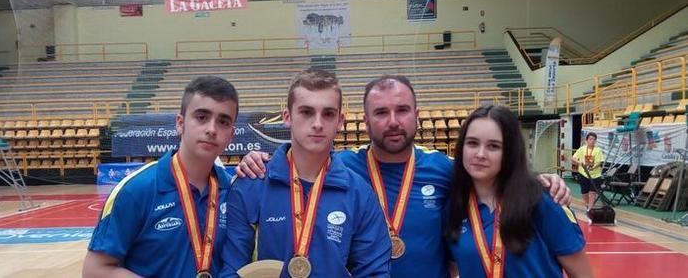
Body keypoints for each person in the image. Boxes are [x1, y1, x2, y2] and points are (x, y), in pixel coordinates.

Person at [236, 75, 571, 277]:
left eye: (402, 110)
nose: (393, 121)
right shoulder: (343, 169)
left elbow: (494, 182)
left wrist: (541, 181)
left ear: (417, 116)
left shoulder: (445, 170)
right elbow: (301, 167)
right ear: (364, 122)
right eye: (381, 112)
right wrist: (258, 160)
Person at [220, 69, 391, 277]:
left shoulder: (360, 194)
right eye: (306, 112)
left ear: (340, 121)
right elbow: (232, 270)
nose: (317, 123)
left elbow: (374, 272)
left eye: (328, 114)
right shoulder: (252, 184)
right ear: (287, 117)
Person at [83, 76, 238, 278]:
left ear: (231, 134)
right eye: (201, 117)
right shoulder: (136, 190)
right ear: (180, 123)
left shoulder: (233, 191)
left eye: (223, 121)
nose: (211, 129)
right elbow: (95, 270)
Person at [444, 105, 592, 278]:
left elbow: (583, 274)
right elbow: (452, 268)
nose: (480, 154)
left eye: (493, 146)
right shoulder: (453, 207)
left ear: (509, 152)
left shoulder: (542, 201)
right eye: (472, 143)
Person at [572, 132, 604, 211]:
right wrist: (580, 163)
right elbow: (573, 158)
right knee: (584, 192)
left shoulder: (598, 150)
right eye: (590, 139)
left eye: (594, 139)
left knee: (592, 192)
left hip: (595, 175)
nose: (592, 141)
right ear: (587, 140)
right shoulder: (582, 149)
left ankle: (590, 209)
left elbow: (599, 162)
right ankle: (587, 205)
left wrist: (593, 167)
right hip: (583, 174)